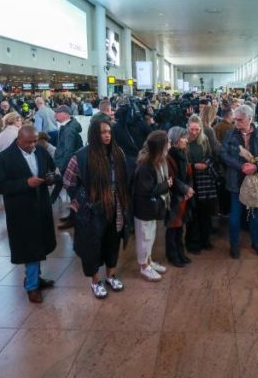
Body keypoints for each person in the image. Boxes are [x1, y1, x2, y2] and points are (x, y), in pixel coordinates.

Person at [63, 118, 130, 298]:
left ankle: (110, 275)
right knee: (92, 246)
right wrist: (83, 200)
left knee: (112, 242)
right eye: (102, 132)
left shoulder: (117, 153)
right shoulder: (81, 156)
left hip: (115, 205)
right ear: (94, 134)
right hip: (92, 209)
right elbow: (69, 181)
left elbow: (123, 179)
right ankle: (95, 281)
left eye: (109, 132)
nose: (107, 135)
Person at [0, 126, 57, 304]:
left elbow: (52, 169)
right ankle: (31, 287)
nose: (33, 145)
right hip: (20, 210)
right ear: (18, 140)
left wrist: (51, 177)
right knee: (30, 249)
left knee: (39, 245)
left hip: (41, 206)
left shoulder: (41, 152)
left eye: (35, 140)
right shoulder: (5, 158)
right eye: (29, 142)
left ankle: (36, 278)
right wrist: (25, 183)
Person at [220, 105, 258, 258]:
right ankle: (234, 245)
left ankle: (256, 243)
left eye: (240, 120)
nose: (236, 123)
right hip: (236, 179)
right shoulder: (230, 134)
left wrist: (256, 166)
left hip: (254, 180)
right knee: (235, 216)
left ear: (250, 119)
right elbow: (223, 154)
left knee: (254, 215)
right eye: (235, 120)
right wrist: (241, 165)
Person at [132, 130, 172, 280]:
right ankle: (144, 266)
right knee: (144, 237)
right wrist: (165, 185)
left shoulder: (158, 161)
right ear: (160, 147)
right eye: (167, 142)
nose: (169, 144)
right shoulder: (145, 166)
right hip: (144, 208)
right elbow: (146, 190)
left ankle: (149, 261)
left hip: (151, 208)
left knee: (151, 235)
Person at [185, 115, 218, 253]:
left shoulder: (204, 140)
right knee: (193, 213)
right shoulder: (184, 141)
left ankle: (205, 240)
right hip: (191, 179)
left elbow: (211, 156)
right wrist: (193, 166)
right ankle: (193, 242)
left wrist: (206, 164)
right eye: (192, 129)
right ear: (187, 127)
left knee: (205, 212)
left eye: (197, 130)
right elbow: (181, 162)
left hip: (205, 179)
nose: (194, 132)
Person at [165, 127, 195, 267]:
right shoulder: (169, 156)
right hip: (174, 196)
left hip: (184, 195)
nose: (186, 140)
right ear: (176, 140)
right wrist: (186, 189)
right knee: (173, 227)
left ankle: (180, 252)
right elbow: (171, 178)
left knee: (180, 227)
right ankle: (172, 255)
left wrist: (189, 188)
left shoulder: (183, 152)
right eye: (183, 138)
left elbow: (188, 172)